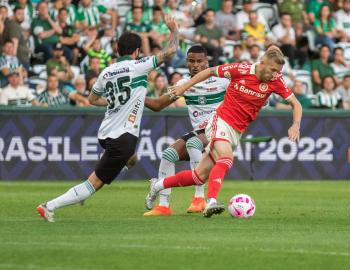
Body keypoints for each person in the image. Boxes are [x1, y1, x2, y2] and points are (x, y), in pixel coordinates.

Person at [36, 15, 180, 222]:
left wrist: (113, 101)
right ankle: (50, 206)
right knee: (94, 183)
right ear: (136, 51)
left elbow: (92, 99)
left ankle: (89, 185)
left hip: (106, 133)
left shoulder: (106, 71)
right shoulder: (139, 66)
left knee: (132, 158)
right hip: (122, 136)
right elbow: (171, 51)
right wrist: (174, 30)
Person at [145, 46, 302, 218]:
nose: (275, 74)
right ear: (262, 63)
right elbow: (210, 72)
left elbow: (296, 104)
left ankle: (158, 185)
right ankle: (211, 201)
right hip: (219, 121)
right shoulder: (241, 70)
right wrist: (184, 88)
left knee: (198, 177)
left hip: (236, 130)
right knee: (226, 158)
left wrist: (295, 125)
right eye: (272, 70)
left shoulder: (276, 80)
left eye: (278, 71)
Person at [144, 45, 229, 216]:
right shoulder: (183, 84)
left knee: (193, 143)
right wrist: (137, 96)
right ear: (186, 62)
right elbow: (158, 105)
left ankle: (199, 199)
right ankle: (163, 206)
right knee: (168, 154)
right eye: (191, 61)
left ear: (207, 62)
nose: (195, 65)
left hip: (219, 131)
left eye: (199, 61)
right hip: (201, 132)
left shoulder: (222, 80)